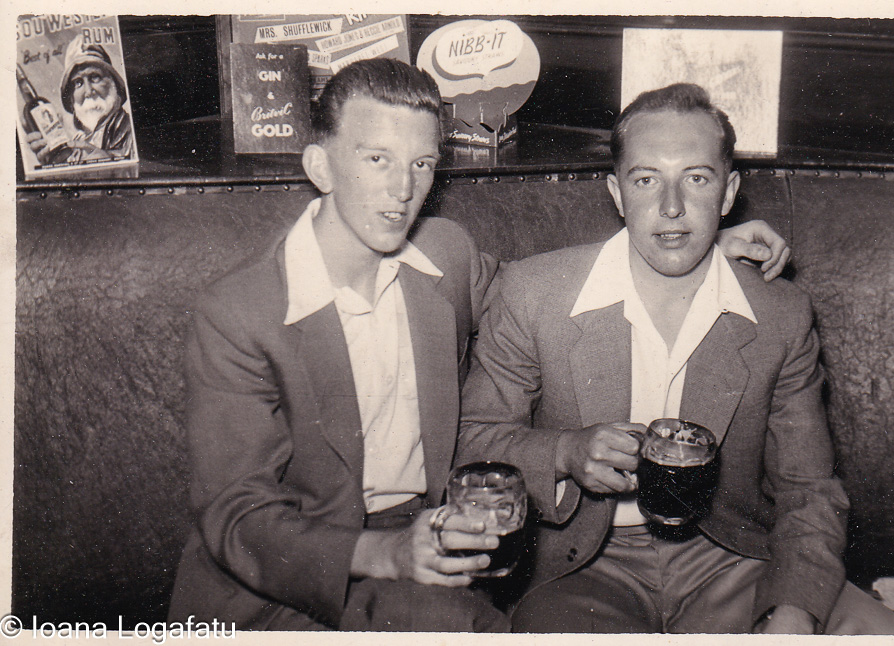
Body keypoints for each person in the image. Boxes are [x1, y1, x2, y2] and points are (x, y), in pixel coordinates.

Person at [167, 59, 792, 631]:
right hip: (280, 586)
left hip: (430, 555)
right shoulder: (238, 313)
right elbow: (237, 516)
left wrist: (696, 249)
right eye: (376, 159)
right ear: (320, 166)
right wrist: (383, 552)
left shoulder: (444, 252)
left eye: (421, 163)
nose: (402, 189)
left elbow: (540, 292)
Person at [457, 82, 894, 634]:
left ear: (728, 192)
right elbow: (472, 438)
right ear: (617, 193)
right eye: (646, 180)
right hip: (582, 570)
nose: (671, 207)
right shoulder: (535, 293)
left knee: (878, 633)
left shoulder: (781, 314)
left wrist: (793, 609)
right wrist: (566, 451)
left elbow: (809, 489)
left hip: (732, 557)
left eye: (696, 178)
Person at [27, 34, 135, 164]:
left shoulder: (132, 132)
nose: (88, 92)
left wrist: (109, 162)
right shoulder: (77, 141)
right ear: (71, 99)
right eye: (78, 83)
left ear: (114, 84)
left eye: (95, 77)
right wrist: (55, 166)